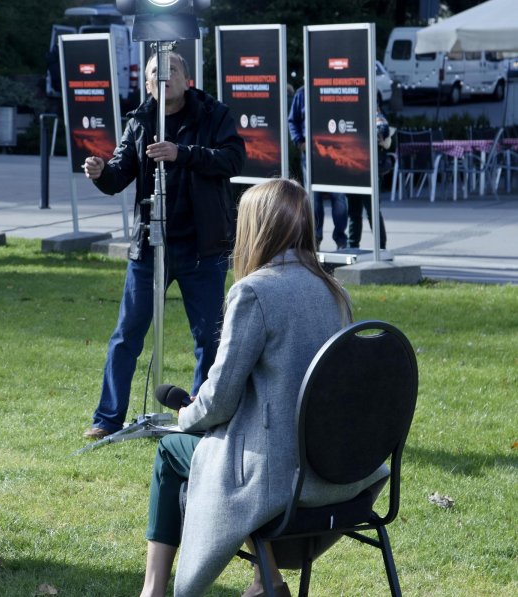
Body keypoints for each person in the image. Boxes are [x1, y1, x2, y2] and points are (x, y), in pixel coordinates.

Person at [140, 179, 389, 597]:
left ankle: (153, 590)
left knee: (172, 452)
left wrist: (187, 416)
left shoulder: (254, 292)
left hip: (283, 477)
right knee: (253, 439)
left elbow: (219, 400)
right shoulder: (335, 292)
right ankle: (264, 580)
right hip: (342, 469)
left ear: (254, 229)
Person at [81, 51, 246, 439]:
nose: (163, 77)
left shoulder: (213, 114)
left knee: (209, 337)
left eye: (170, 70)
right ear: (148, 82)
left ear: (186, 79)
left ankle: (200, 417)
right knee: (127, 334)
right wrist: (101, 172)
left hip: (202, 247)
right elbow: (120, 173)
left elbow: (234, 159)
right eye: (155, 72)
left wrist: (182, 153)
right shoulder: (140, 120)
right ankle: (107, 420)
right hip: (151, 246)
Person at [288, 86, 348, 250]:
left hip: (336, 155)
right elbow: (292, 120)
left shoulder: (336, 89)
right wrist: (299, 142)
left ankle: (341, 240)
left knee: (339, 198)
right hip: (311, 156)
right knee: (314, 199)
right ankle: (315, 239)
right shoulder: (302, 93)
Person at [347, 107, 390, 250]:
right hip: (351, 167)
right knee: (354, 211)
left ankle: (381, 248)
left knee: (372, 210)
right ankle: (352, 246)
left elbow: (383, 129)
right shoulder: (346, 109)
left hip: (368, 169)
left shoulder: (371, 108)